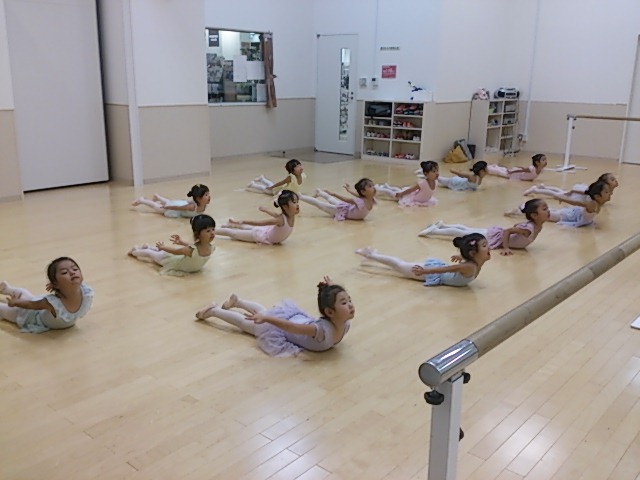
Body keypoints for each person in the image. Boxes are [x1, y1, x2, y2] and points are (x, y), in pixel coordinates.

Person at [194, 276, 354, 357]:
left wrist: (331, 290)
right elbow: (291, 327)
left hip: (291, 317)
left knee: (263, 311)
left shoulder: (345, 325)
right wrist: (267, 320)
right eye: (344, 302)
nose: (350, 305)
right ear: (330, 312)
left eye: (349, 300)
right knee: (245, 323)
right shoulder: (320, 330)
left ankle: (238, 302)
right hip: (282, 326)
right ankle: (213, 311)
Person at [419, 198, 550, 255]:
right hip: (493, 236)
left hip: (493, 234)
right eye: (544, 209)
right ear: (534, 215)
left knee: (467, 230)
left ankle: (443, 226)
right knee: (464, 233)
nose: (548, 211)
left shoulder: (534, 225)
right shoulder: (529, 229)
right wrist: (506, 247)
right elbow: (508, 231)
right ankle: (435, 230)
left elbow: (515, 227)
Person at [355, 233, 490, 287]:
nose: (489, 247)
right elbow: (445, 269)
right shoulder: (469, 267)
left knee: (399, 265)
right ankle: (370, 255)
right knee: (399, 265)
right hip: (430, 273)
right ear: (473, 253)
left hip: (433, 272)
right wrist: (425, 271)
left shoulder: (475, 262)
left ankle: (373, 254)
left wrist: (461, 257)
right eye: (484, 245)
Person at [0, 257, 94, 333]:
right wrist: (15, 303)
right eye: (64, 272)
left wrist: (57, 285)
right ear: (56, 284)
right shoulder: (53, 303)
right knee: (5, 309)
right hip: (31, 317)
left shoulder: (86, 292)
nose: (73, 272)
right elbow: (30, 305)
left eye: (75, 269)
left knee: (25, 293)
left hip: (40, 305)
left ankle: (8, 290)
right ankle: (8, 291)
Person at [128, 214, 216, 276]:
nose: (212, 233)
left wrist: (182, 242)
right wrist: (163, 247)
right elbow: (175, 251)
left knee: (158, 253)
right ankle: (134, 251)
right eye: (208, 231)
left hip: (183, 263)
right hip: (172, 262)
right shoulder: (190, 250)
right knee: (149, 254)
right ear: (198, 234)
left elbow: (194, 245)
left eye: (213, 229)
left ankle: (148, 247)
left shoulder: (211, 247)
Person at [505, 180, 611, 228]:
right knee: (545, 215)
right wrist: (562, 199)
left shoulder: (596, 202)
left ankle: (522, 208)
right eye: (606, 192)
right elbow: (577, 203)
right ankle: (520, 212)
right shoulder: (593, 204)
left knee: (549, 211)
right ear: (597, 196)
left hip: (571, 214)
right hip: (567, 216)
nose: (610, 194)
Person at [215, 190, 299, 245]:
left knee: (247, 227)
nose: (297, 204)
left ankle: (231, 224)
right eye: (294, 202)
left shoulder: (287, 216)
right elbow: (260, 223)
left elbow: (274, 214)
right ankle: (213, 231)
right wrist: (243, 221)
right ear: (285, 207)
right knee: (233, 233)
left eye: (297, 202)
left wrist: (266, 210)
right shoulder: (280, 220)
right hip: (261, 235)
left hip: (266, 232)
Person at [298, 178, 377, 221]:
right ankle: (301, 197)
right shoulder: (361, 201)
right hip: (342, 211)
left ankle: (320, 193)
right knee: (321, 204)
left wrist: (349, 190)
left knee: (331, 200)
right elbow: (346, 199)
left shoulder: (371, 199)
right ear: (363, 192)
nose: (374, 187)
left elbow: (358, 195)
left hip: (346, 209)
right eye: (370, 186)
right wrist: (334, 194)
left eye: (373, 185)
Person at [523, 173, 619, 202]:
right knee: (556, 194)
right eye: (612, 179)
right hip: (576, 197)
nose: (615, 181)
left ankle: (544, 187)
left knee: (560, 191)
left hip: (578, 196)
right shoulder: (598, 189)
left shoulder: (607, 191)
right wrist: (573, 191)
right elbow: (585, 192)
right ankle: (535, 190)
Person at [132, 184, 211, 218]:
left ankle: (158, 197)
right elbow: (178, 208)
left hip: (180, 205)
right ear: (198, 198)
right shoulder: (192, 207)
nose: (209, 196)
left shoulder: (203, 205)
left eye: (208, 194)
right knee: (158, 208)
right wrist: (168, 207)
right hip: (176, 209)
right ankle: (142, 200)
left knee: (168, 202)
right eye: (206, 195)